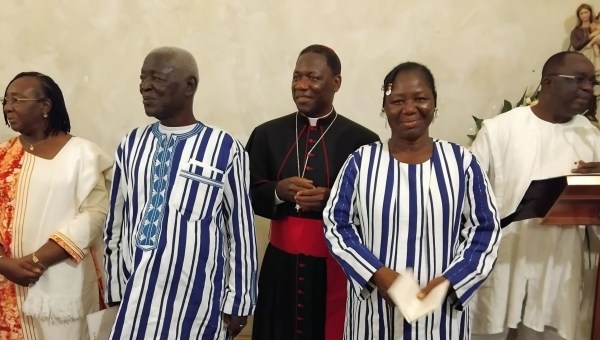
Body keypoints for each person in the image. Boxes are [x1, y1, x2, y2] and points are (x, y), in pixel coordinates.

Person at [322, 61, 501, 339]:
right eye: (397, 101)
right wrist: (377, 274)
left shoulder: (462, 163)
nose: (409, 108)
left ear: (434, 104)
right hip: (373, 314)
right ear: (385, 107)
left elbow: (485, 230)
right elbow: (336, 224)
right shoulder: (361, 162)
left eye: (420, 99)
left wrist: (449, 281)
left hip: (440, 317)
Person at [104, 47, 258, 340]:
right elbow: (115, 222)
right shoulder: (131, 144)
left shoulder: (225, 148)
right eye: (142, 78)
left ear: (190, 85)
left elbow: (240, 231)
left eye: (157, 78)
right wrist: (115, 286)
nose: (144, 86)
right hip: (136, 295)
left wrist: (239, 301)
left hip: (197, 301)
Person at [246, 44, 379, 340]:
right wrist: (278, 192)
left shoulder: (364, 141)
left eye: (313, 77)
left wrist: (333, 199)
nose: (302, 85)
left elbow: (375, 205)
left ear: (336, 83)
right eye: (296, 76)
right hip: (280, 267)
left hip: (336, 266)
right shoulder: (266, 134)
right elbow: (244, 195)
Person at [470, 51, 600, 340]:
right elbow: (464, 199)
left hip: (557, 271)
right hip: (503, 266)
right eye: (579, 80)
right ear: (549, 82)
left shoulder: (590, 137)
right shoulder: (500, 130)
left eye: (592, 82)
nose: (588, 89)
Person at [0, 72, 111, 339]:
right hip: (6, 282)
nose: (7, 107)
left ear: (45, 106)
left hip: (63, 283)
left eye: (16, 99)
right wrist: (4, 263)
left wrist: (35, 261)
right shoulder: (3, 155)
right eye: (5, 101)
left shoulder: (83, 155)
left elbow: (96, 215)